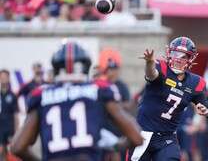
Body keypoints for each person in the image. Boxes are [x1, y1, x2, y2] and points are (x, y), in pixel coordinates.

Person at [10, 42, 143, 161]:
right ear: (86, 67)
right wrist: (116, 145)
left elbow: (17, 147)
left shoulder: (42, 94)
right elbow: (136, 138)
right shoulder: (99, 89)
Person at [129, 36, 208, 161]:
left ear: (190, 58)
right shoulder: (161, 68)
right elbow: (152, 74)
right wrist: (149, 63)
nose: (178, 58)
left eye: (183, 56)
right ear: (169, 53)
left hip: (167, 138)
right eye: (175, 53)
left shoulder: (195, 82)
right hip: (143, 134)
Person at [0, 69, 18, 161]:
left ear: (8, 79)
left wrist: (16, 131)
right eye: (1, 77)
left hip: (10, 129)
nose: (3, 79)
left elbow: (16, 115)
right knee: (1, 153)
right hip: (0, 129)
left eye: (5, 77)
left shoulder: (12, 96)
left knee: (12, 153)